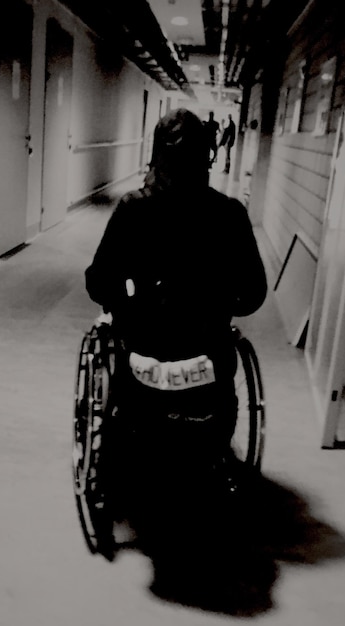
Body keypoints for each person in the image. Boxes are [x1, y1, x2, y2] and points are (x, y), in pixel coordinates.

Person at [85, 107, 266, 453]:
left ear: (156, 156)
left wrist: (123, 302)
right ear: (206, 157)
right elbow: (254, 293)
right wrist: (221, 303)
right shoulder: (230, 214)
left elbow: (97, 282)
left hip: (141, 354)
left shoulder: (133, 209)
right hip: (208, 354)